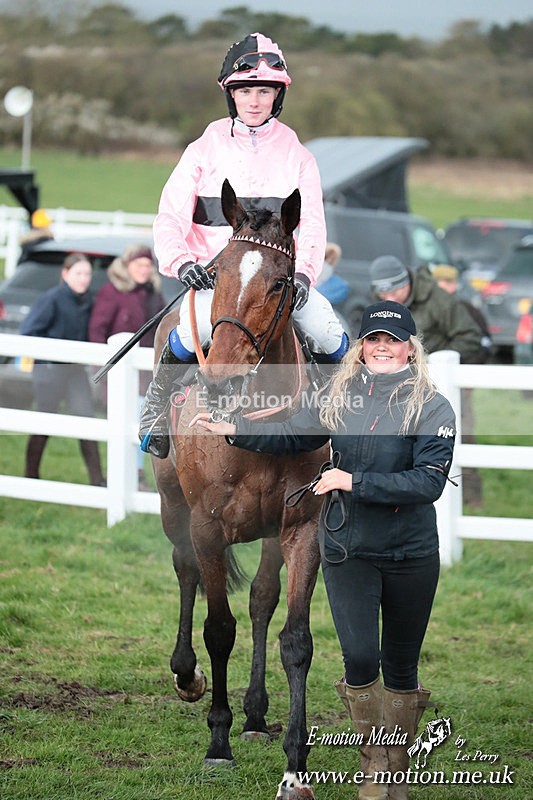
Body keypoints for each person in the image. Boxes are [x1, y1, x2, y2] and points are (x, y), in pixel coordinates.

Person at [190, 300, 456, 800]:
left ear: (409, 349)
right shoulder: (342, 394)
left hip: (411, 555)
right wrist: (237, 430)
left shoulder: (433, 407)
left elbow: (428, 482)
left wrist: (352, 481)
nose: (382, 348)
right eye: (373, 339)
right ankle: (373, 763)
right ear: (361, 347)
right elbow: (295, 433)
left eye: (392, 341)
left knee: (401, 668)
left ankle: (391, 771)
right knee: (358, 659)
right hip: (349, 548)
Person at [138, 32, 349, 459]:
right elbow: (170, 216)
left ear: (278, 96)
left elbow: (311, 227)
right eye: (246, 90)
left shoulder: (298, 156)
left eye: (265, 91)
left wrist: (305, 275)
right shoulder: (202, 150)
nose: (255, 100)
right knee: (189, 328)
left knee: (328, 329)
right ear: (231, 95)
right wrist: (181, 263)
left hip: (277, 281)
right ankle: (155, 412)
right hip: (216, 279)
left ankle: (348, 419)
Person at [20, 253, 105, 487]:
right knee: (44, 422)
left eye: (87, 274)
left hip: (75, 372)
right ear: (65, 274)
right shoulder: (51, 299)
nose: (84, 279)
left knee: (86, 420)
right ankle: (31, 476)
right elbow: (28, 331)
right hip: (49, 371)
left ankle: (97, 480)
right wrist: (47, 357)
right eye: (78, 273)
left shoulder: (89, 300)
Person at [89, 243, 166, 489]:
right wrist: (102, 366)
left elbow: (161, 327)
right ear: (127, 264)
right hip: (119, 372)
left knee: (142, 419)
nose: (144, 269)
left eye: (147, 265)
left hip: (146, 372)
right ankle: (129, 473)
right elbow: (97, 330)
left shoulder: (154, 294)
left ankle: (136, 473)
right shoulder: (112, 292)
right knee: (128, 418)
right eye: (139, 264)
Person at [369, 255, 484, 363]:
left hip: (434, 372)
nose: (390, 300)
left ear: (406, 283)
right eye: (383, 295)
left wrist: (433, 361)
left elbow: (470, 337)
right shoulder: (375, 303)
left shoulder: (439, 299)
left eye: (394, 292)